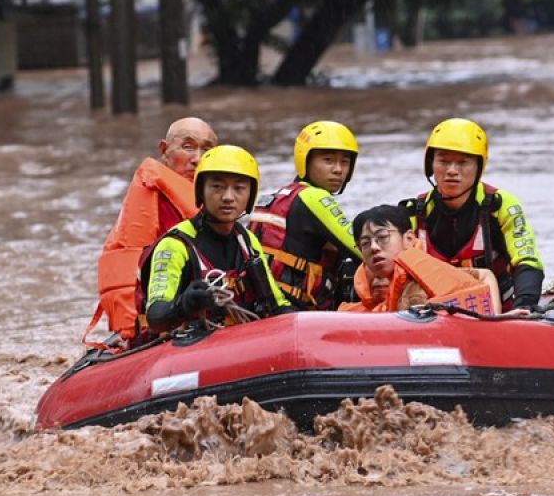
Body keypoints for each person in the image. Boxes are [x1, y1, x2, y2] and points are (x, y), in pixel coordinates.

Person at [91, 117, 218, 342]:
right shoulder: (154, 201)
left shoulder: (220, 202)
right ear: (164, 150)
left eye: (207, 150)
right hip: (159, 321)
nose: (197, 159)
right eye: (187, 147)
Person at [142, 145, 292, 333]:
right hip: (190, 347)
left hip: (242, 342)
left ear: (250, 195)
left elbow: (277, 304)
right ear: (201, 191)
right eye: (217, 187)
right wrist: (184, 304)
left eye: (239, 188)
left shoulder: (248, 241)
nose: (228, 197)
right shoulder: (175, 245)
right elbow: (156, 317)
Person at [402, 118, 544, 311]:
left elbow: (527, 260)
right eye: (443, 161)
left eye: (463, 162)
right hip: (431, 314)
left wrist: (526, 304)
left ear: (479, 167)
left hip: (500, 309)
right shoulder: (411, 213)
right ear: (431, 165)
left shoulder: (500, 206)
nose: (452, 171)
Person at [246, 120, 362, 310]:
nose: (338, 170)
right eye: (328, 160)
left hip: (261, 306)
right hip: (295, 312)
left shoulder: (281, 196)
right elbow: (360, 248)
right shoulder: (314, 197)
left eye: (345, 162)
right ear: (305, 161)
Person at [339, 204, 501, 314]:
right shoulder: (363, 301)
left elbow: (485, 275)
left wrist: (493, 319)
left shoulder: (428, 276)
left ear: (408, 239)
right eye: (365, 243)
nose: (374, 247)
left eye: (382, 237)